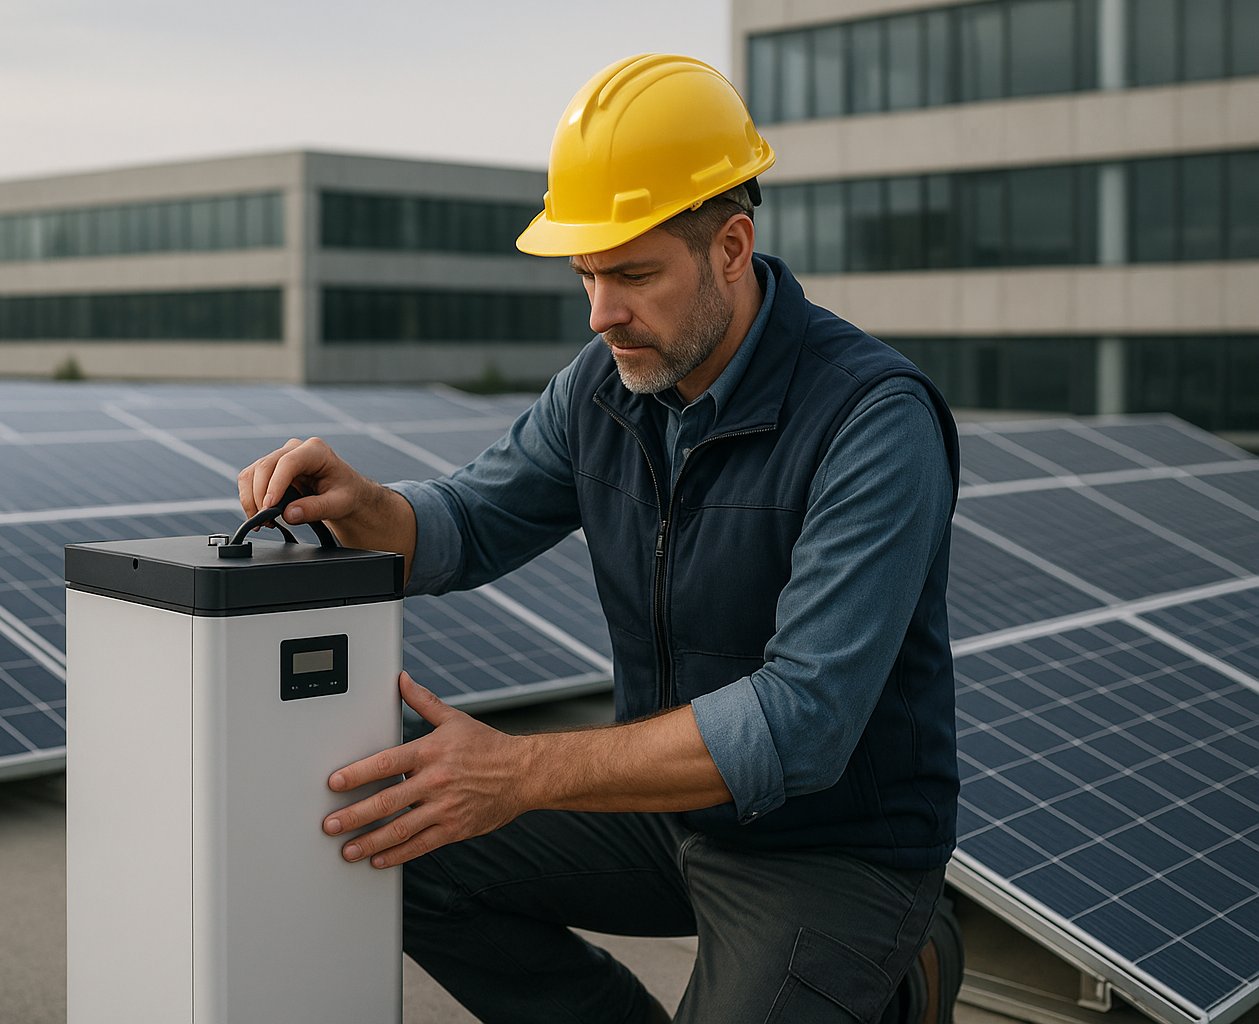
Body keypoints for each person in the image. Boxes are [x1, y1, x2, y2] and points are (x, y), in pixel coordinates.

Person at [238, 54, 961, 1024]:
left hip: (833, 846)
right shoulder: (604, 386)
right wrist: (361, 503)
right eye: (586, 273)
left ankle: (905, 968)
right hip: (663, 811)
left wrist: (519, 772)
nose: (601, 313)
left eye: (632, 274)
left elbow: (803, 720)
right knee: (387, 837)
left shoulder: (872, 418)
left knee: (463, 798)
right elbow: (468, 522)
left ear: (732, 247)